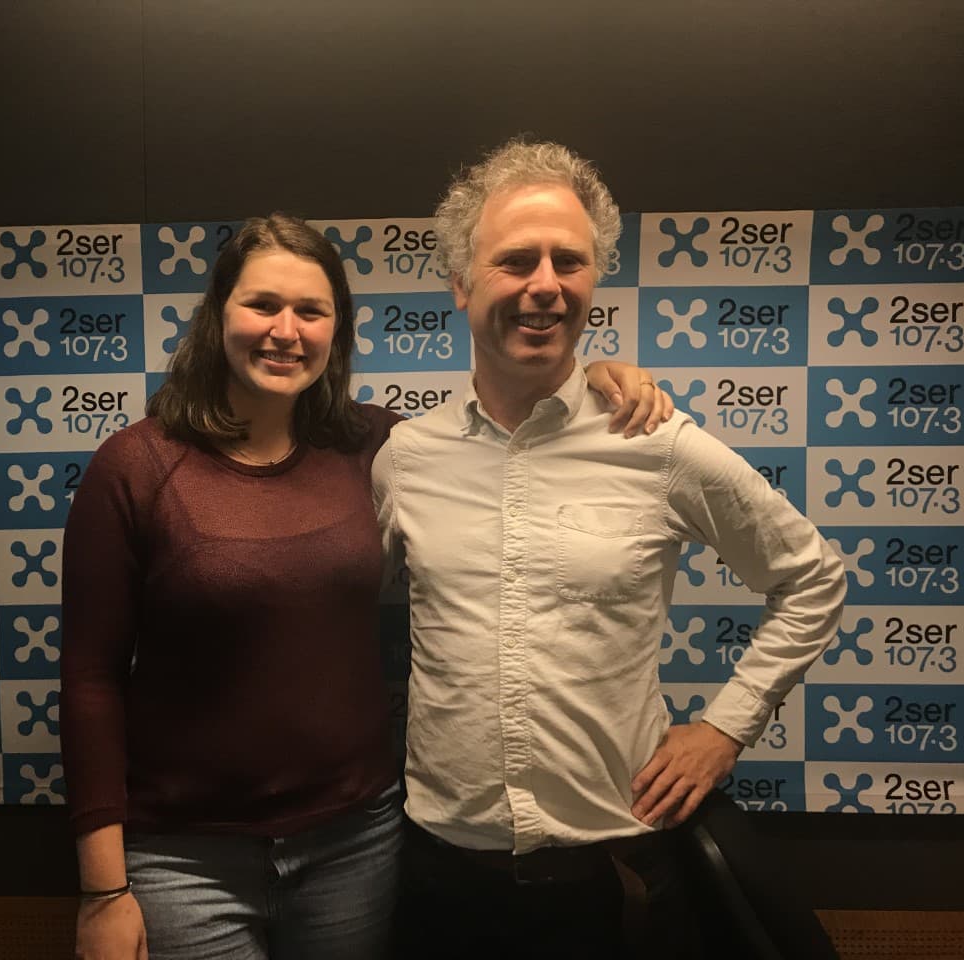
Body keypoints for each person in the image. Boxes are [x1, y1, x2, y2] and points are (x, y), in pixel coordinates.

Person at [59, 211, 671, 960]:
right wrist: (103, 890)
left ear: (337, 331)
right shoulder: (137, 465)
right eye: (262, 305)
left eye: (311, 311)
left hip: (354, 844)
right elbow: (90, 681)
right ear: (218, 314)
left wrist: (598, 380)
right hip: (185, 857)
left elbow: (507, 430)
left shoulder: (378, 446)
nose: (286, 331)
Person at [372, 139, 848, 958]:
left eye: (570, 261)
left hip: (615, 883)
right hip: (438, 879)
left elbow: (813, 578)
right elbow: (349, 610)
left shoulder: (657, 442)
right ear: (459, 282)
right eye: (515, 260)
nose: (546, 284)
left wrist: (726, 728)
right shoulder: (405, 458)